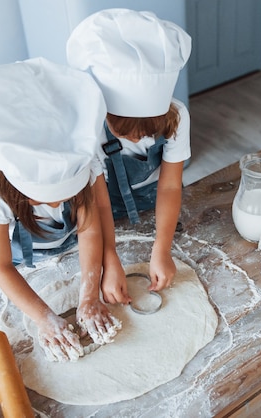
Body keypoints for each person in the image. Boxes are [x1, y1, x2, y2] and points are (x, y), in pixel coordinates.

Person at [0, 57, 122, 362]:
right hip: (29, 267)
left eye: (65, 196)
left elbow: (89, 230)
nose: (56, 206)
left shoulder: (83, 165)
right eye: (40, 201)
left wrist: (88, 297)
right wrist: (43, 317)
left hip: (73, 251)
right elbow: (0, 266)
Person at [66, 9, 192, 301]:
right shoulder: (90, 127)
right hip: (106, 209)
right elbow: (98, 201)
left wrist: (161, 248)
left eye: (147, 132)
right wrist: (109, 259)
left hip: (155, 201)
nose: (137, 139)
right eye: (125, 132)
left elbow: (171, 185)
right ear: (106, 110)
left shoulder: (178, 117)